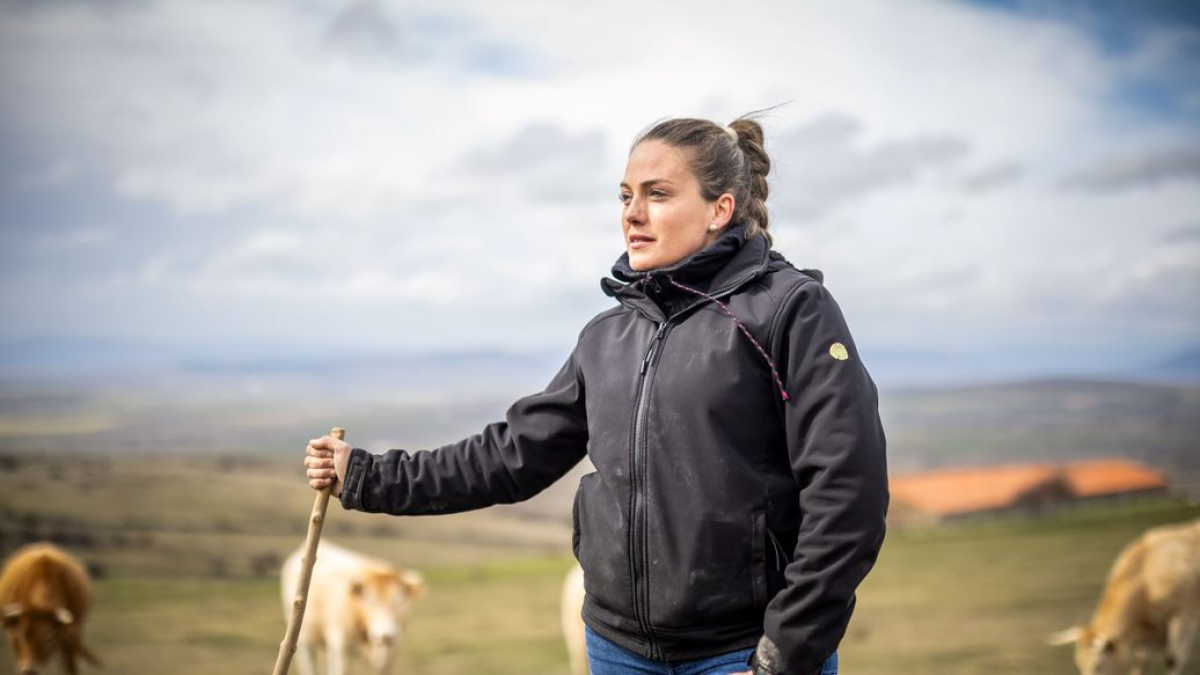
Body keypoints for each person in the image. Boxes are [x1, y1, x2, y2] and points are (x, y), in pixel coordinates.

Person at [304, 114, 888, 675]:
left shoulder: (789, 312)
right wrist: (365, 475)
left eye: (657, 194)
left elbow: (846, 493)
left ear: (720, 209)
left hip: (739, 652)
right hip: (616, 649)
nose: (632, 213)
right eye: (625, 196)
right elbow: (511, 455)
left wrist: (781, 658)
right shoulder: (608, 335)